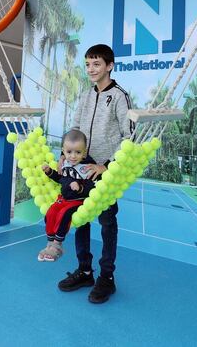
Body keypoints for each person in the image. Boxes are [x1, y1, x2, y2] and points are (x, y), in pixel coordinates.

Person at [57, 44, 133, 304]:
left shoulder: (120, 96)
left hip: (104, 172)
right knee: (81, 219)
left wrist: (106, 166)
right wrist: (63, 155)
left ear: (109, 66)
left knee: (107, 223)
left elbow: (128, 136)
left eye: (96, 64)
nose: (91, 69)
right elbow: (75, 128)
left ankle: (107, 278)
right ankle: (85, 271)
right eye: (88, 64)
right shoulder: (86, 95)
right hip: (80, 169)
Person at [38, 130, 96, 262]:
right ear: (63, 151)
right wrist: (49, 172)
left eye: (78, 152)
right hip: (63, 199)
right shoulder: (65, 164)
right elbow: (60, 179)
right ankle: (50, 243)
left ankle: (58, 245)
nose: (73, 156)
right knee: (50, 213)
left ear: (84, 152)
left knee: (64, 214)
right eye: (69, 152)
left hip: (77, 201)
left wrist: (80, 187)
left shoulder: (87, 167)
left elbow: (91, 187)